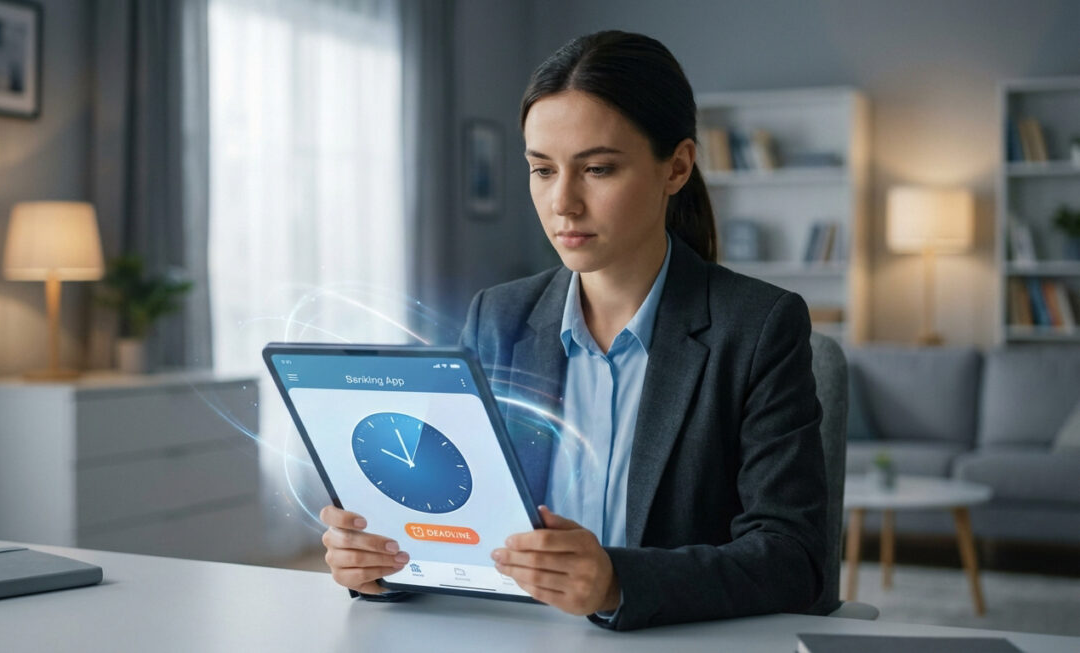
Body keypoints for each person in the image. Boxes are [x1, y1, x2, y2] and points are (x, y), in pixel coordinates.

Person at [319, 30, 828, 631]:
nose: (563, 202)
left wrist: (617, 581)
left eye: (598, 169)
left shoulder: (759, 326)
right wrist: (387, 562)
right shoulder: (498, 318)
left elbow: (794, 559)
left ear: (678, 167)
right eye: (542, 169)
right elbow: (452, 519)